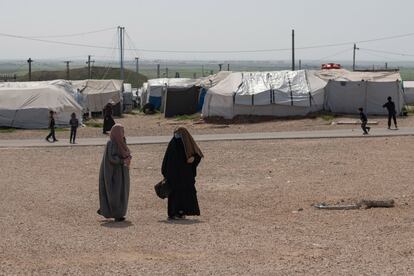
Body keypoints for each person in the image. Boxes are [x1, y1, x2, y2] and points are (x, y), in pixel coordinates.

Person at [162, 127, 204, 220]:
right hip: (174, 176)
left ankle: (182, 212)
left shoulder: (187, 143)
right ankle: (173, 213)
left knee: (185, 194)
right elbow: (167, 161)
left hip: (185, 176)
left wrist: (193, 159)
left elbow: (197, 155)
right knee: (174, 195)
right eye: (176, 134)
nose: (177, 136)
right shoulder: (173, 144)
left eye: (179, 134)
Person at [97, 124, 132, 222]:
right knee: (113, 193)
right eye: (121, 131)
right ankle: (111, 212)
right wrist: (123, 160)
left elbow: (126, 152)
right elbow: (112, 158)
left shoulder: (122, 141)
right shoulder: (111, 144)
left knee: (121, 193)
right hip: (113, 173)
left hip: (122, 173)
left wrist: (128, 158)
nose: (123, 133)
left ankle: (117, 212)